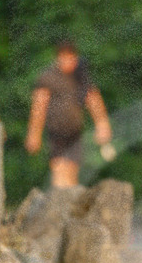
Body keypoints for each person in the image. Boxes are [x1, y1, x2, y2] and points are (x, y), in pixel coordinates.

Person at [25, 41, 115, 188]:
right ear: (59, 58)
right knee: (59, 170)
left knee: (72, 172)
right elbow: (39, 106)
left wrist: (102, 124)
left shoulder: (81, 76)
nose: (69, 63)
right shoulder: (48, 77)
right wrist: (34, 134)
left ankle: (69, 206)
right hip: (56, 131)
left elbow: (93, 100)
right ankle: (60, 204)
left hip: (75, 131)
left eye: (72, 59)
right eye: (65, 59)